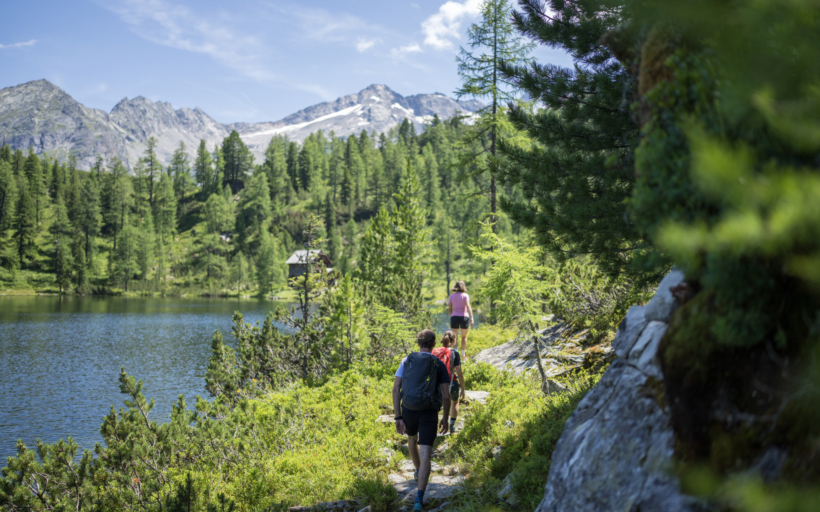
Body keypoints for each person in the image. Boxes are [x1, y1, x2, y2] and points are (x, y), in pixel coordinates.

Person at [393, 329, 451, 512]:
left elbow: (396, 389)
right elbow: (447, 396)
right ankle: (419, 498)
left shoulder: (406, 360)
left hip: (408, 410)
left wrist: (398, 416)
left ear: (418, 343)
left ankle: (418, 471)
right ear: (434, 344)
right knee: (426, 452)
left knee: (412, 439)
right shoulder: (439, 364)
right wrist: (445, 418)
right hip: (429, 412)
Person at [432, 330, 466, 433]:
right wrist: (463, 388)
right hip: (451, 381)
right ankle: (451, 425)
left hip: (436, 383)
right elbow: (459, 372)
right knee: (454, 401)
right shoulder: (454, 352)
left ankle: (433, 425)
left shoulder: (434, 351)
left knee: (435, 404)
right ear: (454, 341)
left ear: (443, 339)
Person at [448, 281, 474, 358]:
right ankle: (463, 355)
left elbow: (450, 309)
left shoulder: (451, 296)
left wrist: (452, 316)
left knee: (454, 337)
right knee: (464, 337)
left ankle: (456, 354)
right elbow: (468, 307)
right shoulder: (465, 295)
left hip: (454, 317)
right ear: (463, 287)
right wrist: (472, 317)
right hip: (464, 317)